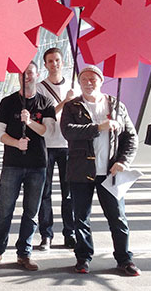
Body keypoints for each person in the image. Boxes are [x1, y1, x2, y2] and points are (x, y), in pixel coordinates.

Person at [60, 65, 140, 276]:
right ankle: (83, 257)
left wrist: (123, 161)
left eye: (93, 79)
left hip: (110, 172)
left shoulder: (115, 105)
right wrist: (99, 127)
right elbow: (68, 131)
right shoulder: (72, 106)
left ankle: (124, 258)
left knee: (117, 217)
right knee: (81, 218)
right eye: (84, 79)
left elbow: (131, 137)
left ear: (101, 81)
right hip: (80, 171)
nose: (88, 82)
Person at [0, 61, 55, 271]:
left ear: (37, 74)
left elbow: (48, 132)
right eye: (23, 74)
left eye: (31, 73)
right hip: (12, 164)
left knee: (31, 211)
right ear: (18, 77)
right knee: (5, 210)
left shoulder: (46, 102)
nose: (27, 77)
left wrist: (30, 121)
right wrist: (16, 142)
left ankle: (24, 253)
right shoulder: (7, 102)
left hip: (38, 165)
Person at [35, 47, 79, 250]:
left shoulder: (74, 86)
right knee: (45, 192)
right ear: (45, 65)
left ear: (63, 62)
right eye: (50, 61)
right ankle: (46, 234)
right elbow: (44, 114)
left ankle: (69, 233)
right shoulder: (40, 88)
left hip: (68, 145)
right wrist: (64, 102)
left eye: (57, 60)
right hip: (46, 145)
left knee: (68, 192)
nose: (54, 64)